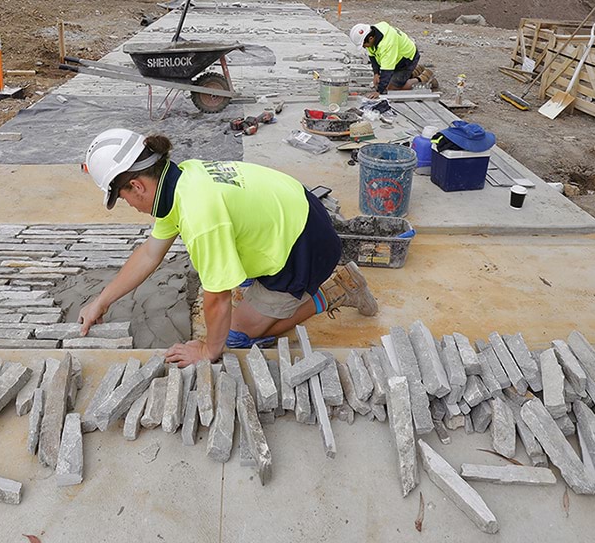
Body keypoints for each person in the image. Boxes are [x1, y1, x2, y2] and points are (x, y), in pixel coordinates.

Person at [77, 129, 379, 365]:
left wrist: (208, 349)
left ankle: (337, 291)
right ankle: (266, 287)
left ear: (137, 186)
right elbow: (149, 254)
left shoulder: (199, 213)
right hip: (293, 216)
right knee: (223, 281)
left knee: (233, 335)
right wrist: (101, 302)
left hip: (304, 247)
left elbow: (217, 298)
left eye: (122, 198)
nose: (127, 205)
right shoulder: (179, 180)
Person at [349, 22, 435, 97]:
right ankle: (417, 70)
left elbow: (387, 70)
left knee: (391, 87)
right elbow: (372, 56)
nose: (364, 47)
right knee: (382, 82)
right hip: (396, 59)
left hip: (407, 59)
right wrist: (376, 73)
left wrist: (379, 91)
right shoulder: (373, 33)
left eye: (364, 45)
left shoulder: (387, 44)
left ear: (370, 38)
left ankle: (425, 77)